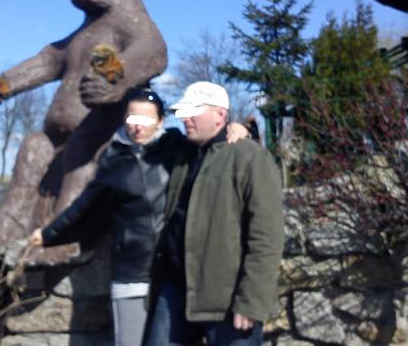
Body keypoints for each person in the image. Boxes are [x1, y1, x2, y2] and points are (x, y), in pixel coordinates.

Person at [29, 88, 247, 346]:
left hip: (175, 276)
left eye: (145, 119)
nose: (137, 127)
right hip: (134, 273)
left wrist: (237, 128)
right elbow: (85, 205)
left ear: (161, 121)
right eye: (132, 119)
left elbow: (212, 145)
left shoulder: (178, 147)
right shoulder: (113, 158)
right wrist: (48, 234)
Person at [144, 81, 284, 346]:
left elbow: (267, 235)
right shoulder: (182, 154)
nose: (185, 118)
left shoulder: (249, 157)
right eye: (183, 112)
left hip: (226, 298)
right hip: (175, 289)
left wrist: (251, 301)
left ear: (220, 114)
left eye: (193, 111)